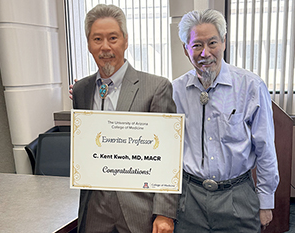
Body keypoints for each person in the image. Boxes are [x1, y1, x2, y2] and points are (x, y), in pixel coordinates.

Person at [71, 4, 178, 233]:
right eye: (97, 39)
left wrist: (165, 213)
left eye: (113, 38)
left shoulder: (156, 88)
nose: (105, 47)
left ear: (126, 41)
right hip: (95, 210)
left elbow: (168, 156)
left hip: (139, 210)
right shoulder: (81, 90)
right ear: (89, 44)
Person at [172, 9, 279, 232]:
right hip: (190, 198)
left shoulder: (250, 87)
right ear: (185, 49)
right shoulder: (175, 91)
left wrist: (266, 201)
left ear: (224, 42)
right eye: (197, 45)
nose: (205, 53)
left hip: (237, 195)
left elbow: (266, 148)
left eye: (212, 43)